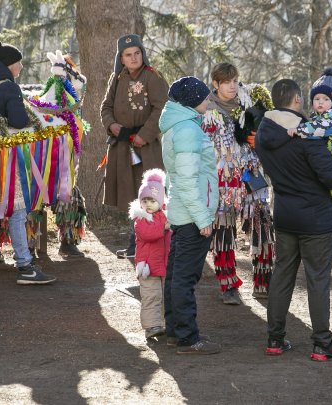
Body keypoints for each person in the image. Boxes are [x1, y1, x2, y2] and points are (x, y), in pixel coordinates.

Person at [255, 79, 332, 360]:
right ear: (297, 99)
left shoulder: (263, 132)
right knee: (317, 280)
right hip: (316, 219)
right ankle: (322, 343)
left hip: (284, 214)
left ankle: (275, 338)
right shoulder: (307, 136)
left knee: (282, 275)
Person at [0, 40, 55, 285]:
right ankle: (25, 267)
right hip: (6, 158)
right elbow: (18, 121)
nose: (21, 67)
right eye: (19, 63)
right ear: (10, 64)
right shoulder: (9, 88)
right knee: (17, 210)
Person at [201, 62, 275, 304]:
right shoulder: (207, 108)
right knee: (223, 228)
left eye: (234, 81)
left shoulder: (251, 100)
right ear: (216, 84)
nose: (232, 86)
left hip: (253, 173)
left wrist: (259, 141)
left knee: (262, 223)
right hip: (223, 177)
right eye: (226, 82)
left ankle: (263, 281)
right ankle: (228, 284)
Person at [159, 76, 220, 354]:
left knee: (176, 275)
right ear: (193, 100)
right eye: (205, 97)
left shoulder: (180, 126)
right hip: (192, 216)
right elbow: (185, 180)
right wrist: (203, 218)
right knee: (184, 277)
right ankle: (186, 337)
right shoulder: (187, 130)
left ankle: (175, 332)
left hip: (185, 213)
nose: (208, 101)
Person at [100, 34, 169, 258]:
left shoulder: (153, 77)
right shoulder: (117, 78)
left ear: (142, 53)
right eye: (128, 55)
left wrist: (145, 135)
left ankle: (157, 242)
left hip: (146, 147)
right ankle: (136, 241)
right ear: (121, 58)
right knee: (130, 193)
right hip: (122, 146)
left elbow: (162, 108)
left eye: (137, 53)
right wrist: (112, 126)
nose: (133, 58)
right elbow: (105, 107)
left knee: (149, 194)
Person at [287, 68, 332, 219]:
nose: (320, 102)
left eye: (325, 99)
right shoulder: (315, 117)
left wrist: (298, 130)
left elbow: (319, 129)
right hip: (328, 158)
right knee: (326, 184)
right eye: (317, 98)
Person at [129, 168, 172, 340]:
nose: (147, 204)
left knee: (165, 296)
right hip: (147, 266)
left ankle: (166, 323)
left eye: (152, 200)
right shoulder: (141, 219)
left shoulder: (166, 216)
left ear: (161, 201)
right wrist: (164, 228)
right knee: (151, 297)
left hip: (165, 265)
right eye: (144, 200)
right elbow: (148, 234)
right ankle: (151, 326)